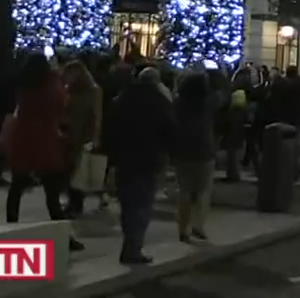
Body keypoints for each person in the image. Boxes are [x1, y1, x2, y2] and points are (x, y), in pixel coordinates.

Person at [0, 52, 85, 251]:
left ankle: (10, 226)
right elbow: (61, 103)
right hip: (45, 138)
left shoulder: (23, 84)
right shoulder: (50, 85)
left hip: (22, 136)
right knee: (52, 192)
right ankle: (65, 236)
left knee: (17, 187)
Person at [105, 66, 175, 264]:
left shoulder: (122, 99)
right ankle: (133, 246)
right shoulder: (159, 101)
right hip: (149, 159)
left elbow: (110, 128)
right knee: (142, 204)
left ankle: (130, 242)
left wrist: (111, 155)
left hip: (124, 158)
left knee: (128, 203)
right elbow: (170, 130)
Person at [172, 71, 216, 242]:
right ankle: (198, 225)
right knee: (203, 190)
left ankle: (183, 228)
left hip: (182, 148)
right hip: (204, 149)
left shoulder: (178, 103)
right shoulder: (207, 102)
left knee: (184, 189)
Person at [61, 60, 102, 217]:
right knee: (69, 171)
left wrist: (94, 137)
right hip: (69, 134)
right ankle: (72, 202)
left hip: (82, 136)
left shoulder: (93, 90)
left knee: (79, 172)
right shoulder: (69, 90)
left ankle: (76, 204)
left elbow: (96, 115)